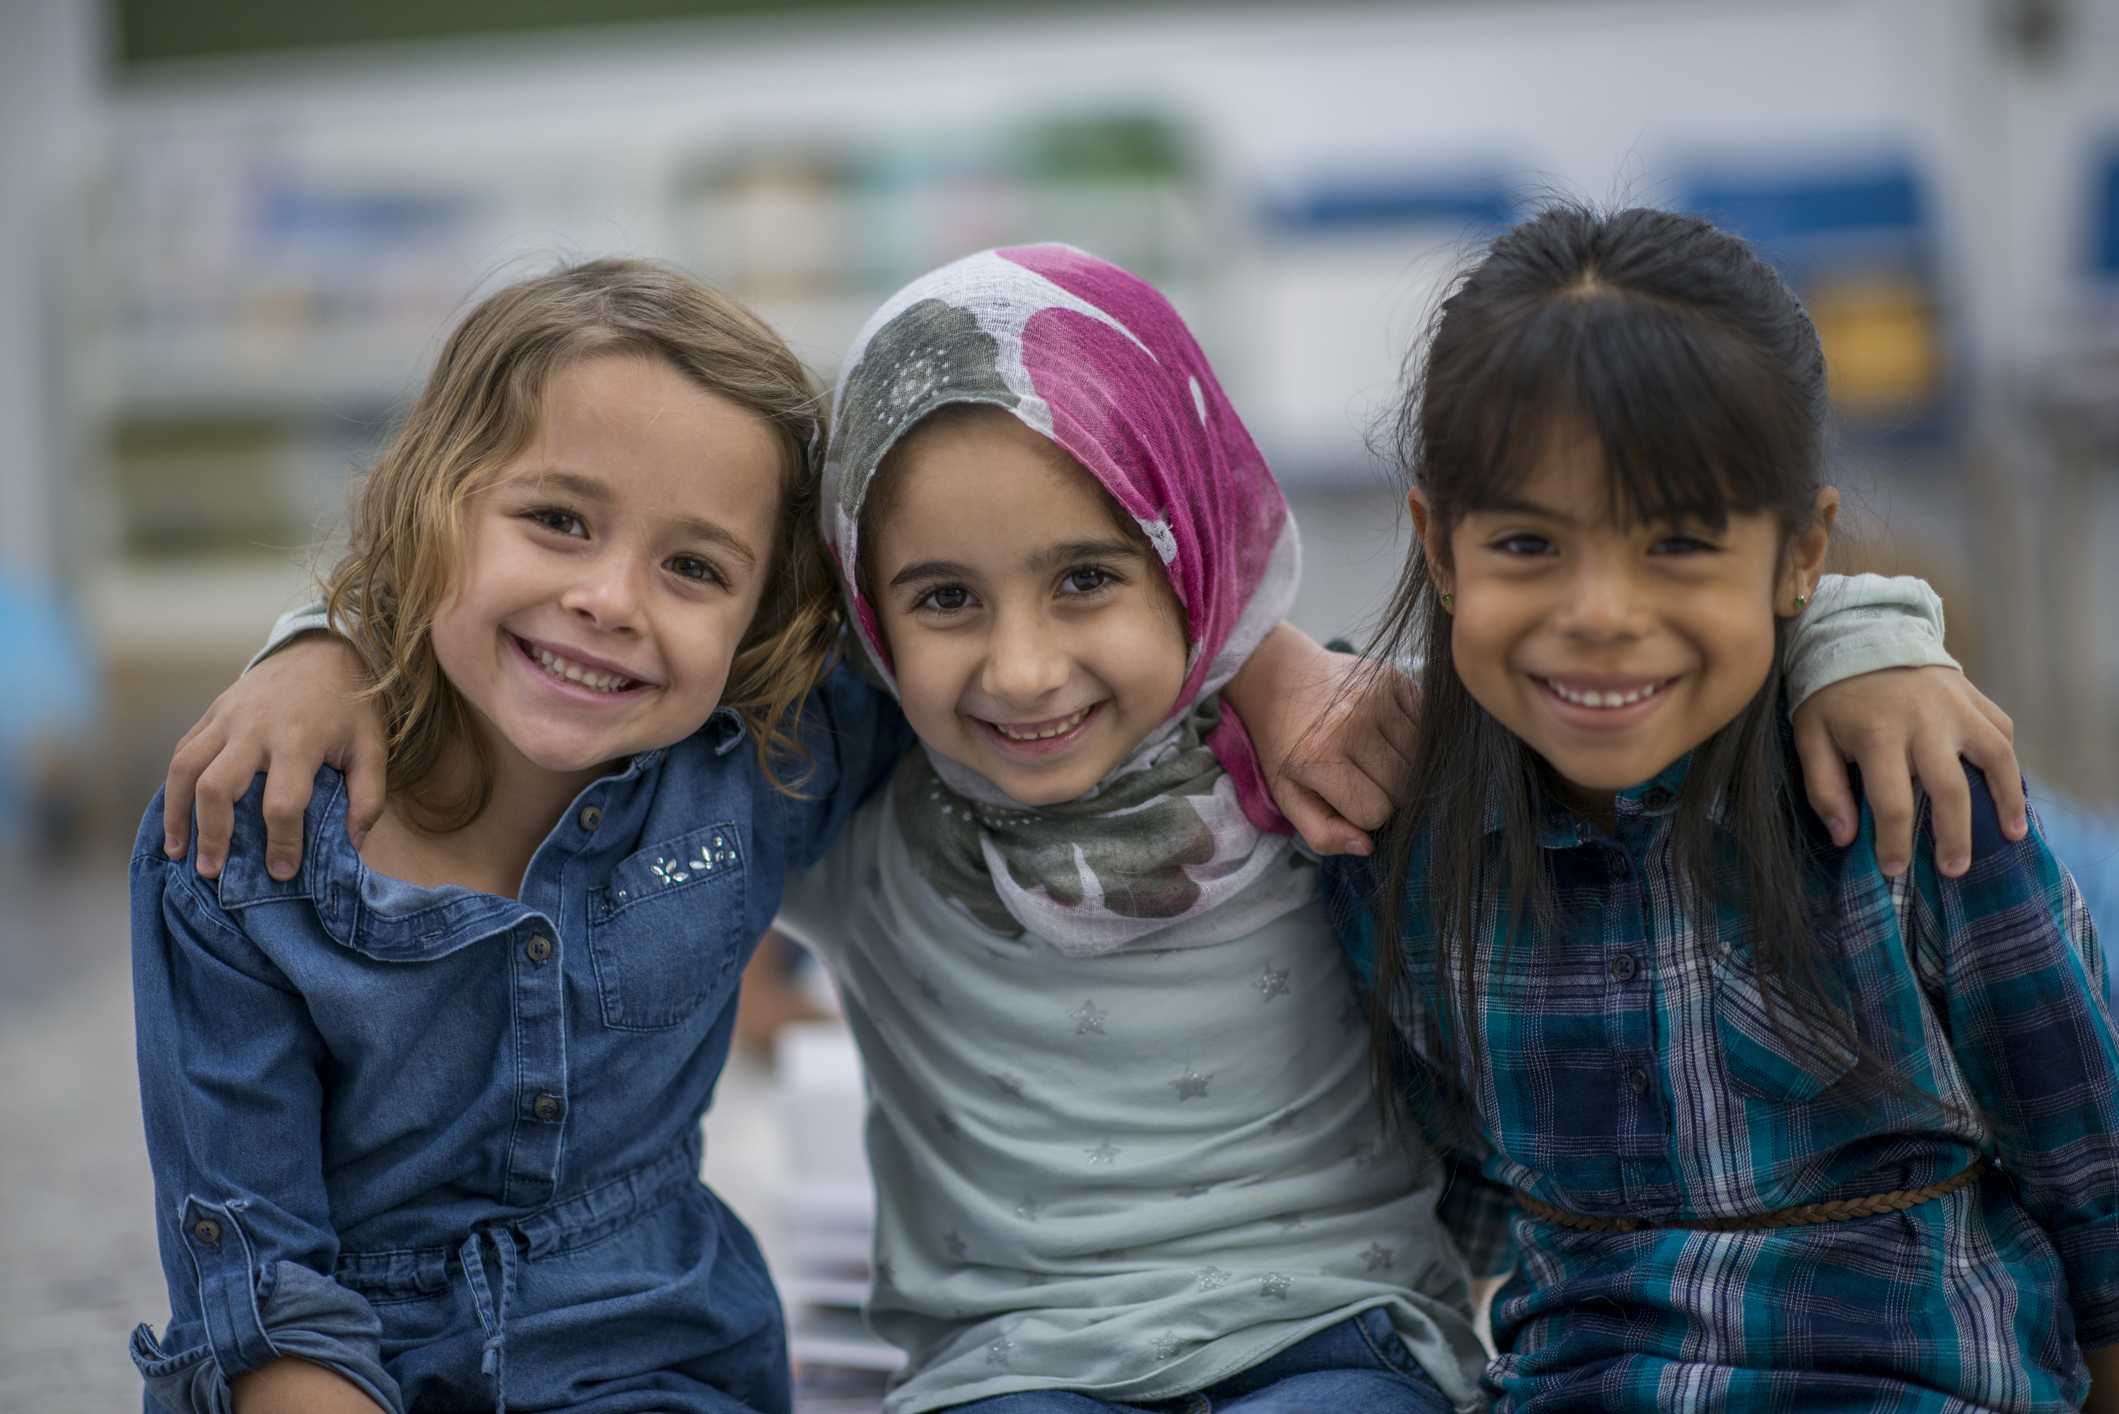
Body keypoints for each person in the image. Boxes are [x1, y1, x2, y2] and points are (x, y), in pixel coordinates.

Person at [159, 247, 2022, 1414]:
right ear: (867, 620)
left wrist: (1855, 631)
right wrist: (322, 635)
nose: (1022, 666)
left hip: (1334, 1331)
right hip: (1001, 1364)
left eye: (1089, 580)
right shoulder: (842, 773)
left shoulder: (1318, 767)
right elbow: (584, 671)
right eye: (945, 603)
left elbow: (1609, 688)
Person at [1323, 204, 2119, 1410]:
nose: (1599, 611)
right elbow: (1449, 1216)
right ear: (1440, 545)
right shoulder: (1401, 837)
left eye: (1678, 542)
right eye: (1530, 543)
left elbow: (2093, 1181)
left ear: (1803, 555)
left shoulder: (1913, 796)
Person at [127, 260, 920, 1414]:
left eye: (695, 567)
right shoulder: (250, 826)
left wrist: (1262, 670)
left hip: (661, 1366)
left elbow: (1004, 635)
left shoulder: (757, 764)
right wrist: (322, 637)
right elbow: (261, 1293)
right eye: (558, 520)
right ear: (429, 502)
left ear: (763, 619)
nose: (611, 597)